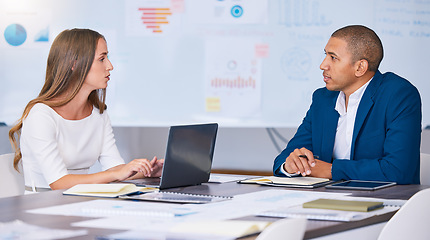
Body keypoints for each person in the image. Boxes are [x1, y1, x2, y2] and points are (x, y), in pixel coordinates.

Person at [8, 28, 164, 192]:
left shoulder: (99, 115)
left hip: (80, 201)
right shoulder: (40, 115)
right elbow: (59, 183)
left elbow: (115, 169)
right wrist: (118, 173)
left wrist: (148, 172)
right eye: (102, 59)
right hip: (42, 207)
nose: (109, 66)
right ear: (74, 64)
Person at [273, 25, 422, 184]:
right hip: (327, 200)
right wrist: (290, 165)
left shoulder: (399, 95)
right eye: (325, 55)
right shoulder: (322, 99)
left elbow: (398, 170)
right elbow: (285, 157)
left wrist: (331, 170)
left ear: (360, 67)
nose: (323, 65)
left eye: (333, 57)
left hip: (383, 201)